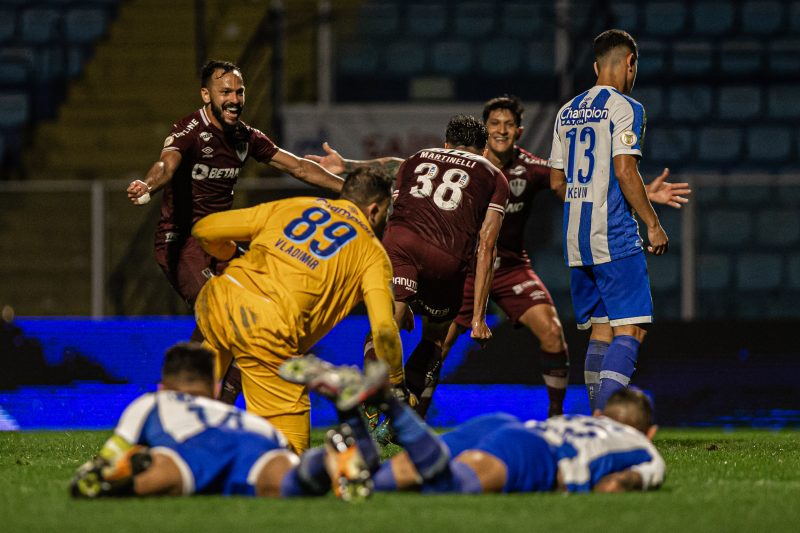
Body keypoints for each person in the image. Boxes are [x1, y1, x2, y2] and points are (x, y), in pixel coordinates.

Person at [307, 99, 689, 419]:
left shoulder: (532, 168)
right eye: (495, 124)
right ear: (485, 131)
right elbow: (394, 165)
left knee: (553, 332)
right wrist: (350, 167)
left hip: (510, 267)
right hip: (463, 265)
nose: (502, 130)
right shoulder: (464, 164)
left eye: (509, 124)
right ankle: (411, 416)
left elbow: (575, 186)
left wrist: (635, 192)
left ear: (519, 131)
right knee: (436, 343)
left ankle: (556, 418)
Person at [125, 60, 344, 404]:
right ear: (206, 94)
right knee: (226, 314)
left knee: (258, 318)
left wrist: (348, 192)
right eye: (225, 91)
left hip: (221, 245)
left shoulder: (246, 136)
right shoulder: (189, 131)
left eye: (239, 91)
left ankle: (217, 408)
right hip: (182, 243)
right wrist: (147, 185)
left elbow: (300, 167)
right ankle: (177, 399)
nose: (234, 98)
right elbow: (166, 165)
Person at [190, 167, 404, 454]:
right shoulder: (373, 254)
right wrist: (396, 381)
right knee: (288, 456)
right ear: (375, 209)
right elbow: (384, 331)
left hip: (220, 297)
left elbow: (205, 228)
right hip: (267, 327)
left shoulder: (294, 205)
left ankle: (172, 441)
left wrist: (229, 254)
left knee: (189, 404)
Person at [282, 354, 665, 495]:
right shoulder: (645, 450)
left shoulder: (587, 422)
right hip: (533, 452)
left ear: (599, 416)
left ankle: (350, 415)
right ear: (650, 433)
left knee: (378, 485)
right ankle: (390, 404)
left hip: (508, 426)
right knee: (451, 485)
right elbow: (617, 485)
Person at [70, 343, 377, 501]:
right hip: (256, 439)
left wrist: (104, 463)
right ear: (213, 386)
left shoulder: (152, 402)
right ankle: (326, 460)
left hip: (191, 444)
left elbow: (111, 450)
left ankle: (113, 481)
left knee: (163, 466)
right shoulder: (240, 416)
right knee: (287, 480)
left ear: (165, 383)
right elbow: (282, 446)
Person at [360, 115, 509, 429]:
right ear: (483, 151)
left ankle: (374, 409)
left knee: (385, 327)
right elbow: (486, 245)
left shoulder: (414, 160)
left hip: (400, 244)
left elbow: (397, 216)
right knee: (436, 339)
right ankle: (402, 423)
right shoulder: (494, 175)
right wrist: (479, 317)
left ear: (446, 144)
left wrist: (402, 287)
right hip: (447, 258)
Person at [550, 29, 667, 413]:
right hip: (612, 235)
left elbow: (557, 181)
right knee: (631, 329)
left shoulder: (566, 111)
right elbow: (623, 171)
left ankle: (594, 418)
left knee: (601, 331)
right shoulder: (626, 108)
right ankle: (605, 424)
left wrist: (589, 198)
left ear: (597, 65)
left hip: (576, 241)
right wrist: (652, 222)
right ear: (630, 64)